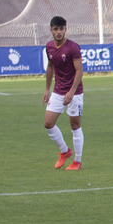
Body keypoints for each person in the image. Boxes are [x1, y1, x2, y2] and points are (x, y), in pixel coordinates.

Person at [42, 16, 84, 171]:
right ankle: (65, 151)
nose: (59, 32)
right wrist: (47, 89)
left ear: (65, 29)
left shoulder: (73, 47)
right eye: (55, 29)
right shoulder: (49, 47)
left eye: (61, 29)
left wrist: (72, 92)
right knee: (48, 123)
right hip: (58, 91)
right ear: (51, 30)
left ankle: (77, 161)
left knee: (75, 125)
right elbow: (50, 67)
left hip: (75, 92)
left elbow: (79, 71)